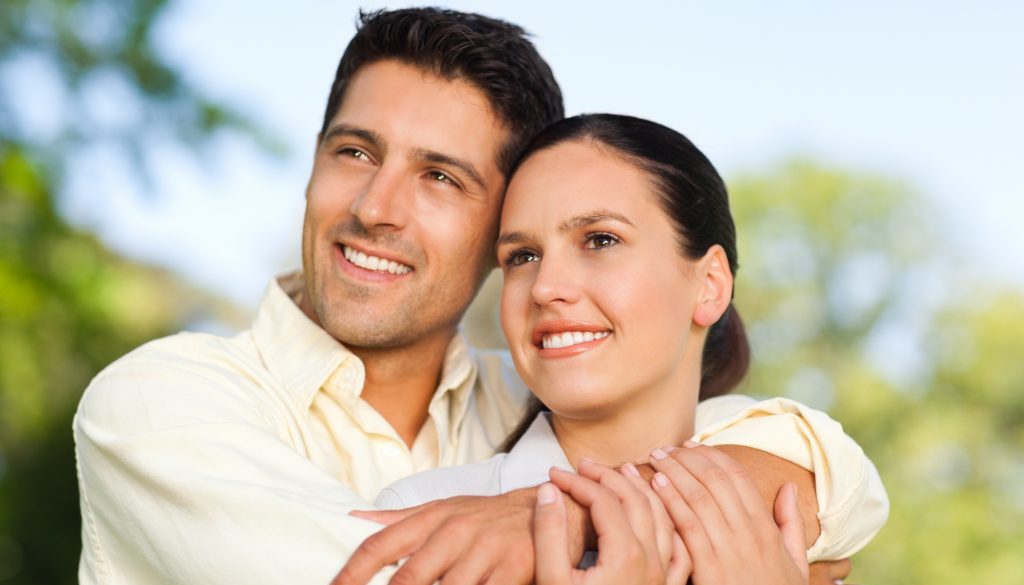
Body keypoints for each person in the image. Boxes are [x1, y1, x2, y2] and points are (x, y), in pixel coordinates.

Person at [73, 8, 883, 585]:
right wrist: (590, 525)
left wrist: (540, 510)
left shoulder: (553, 397)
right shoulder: (160, 401)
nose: (375, 207)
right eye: (355, 151)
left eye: (439, 176)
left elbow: (828, 464)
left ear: (498, 226)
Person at [371, 114, 887, 583]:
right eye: (522, 256)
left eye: (600, 240)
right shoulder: (426, 517)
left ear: (709, 285)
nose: (546, 286)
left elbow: (841, 474)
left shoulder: (785, 505)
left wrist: (572, 514)